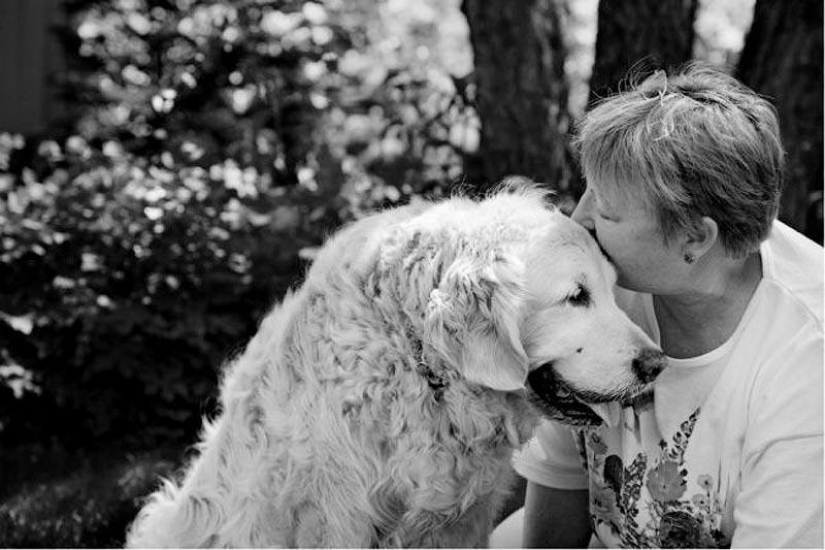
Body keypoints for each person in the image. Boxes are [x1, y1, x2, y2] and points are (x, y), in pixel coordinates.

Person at [492, 64, 823, 548]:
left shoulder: (805, 366)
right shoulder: (601, 283)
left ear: (695, 237)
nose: (577, 218)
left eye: (605, 209)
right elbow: (558, 493)